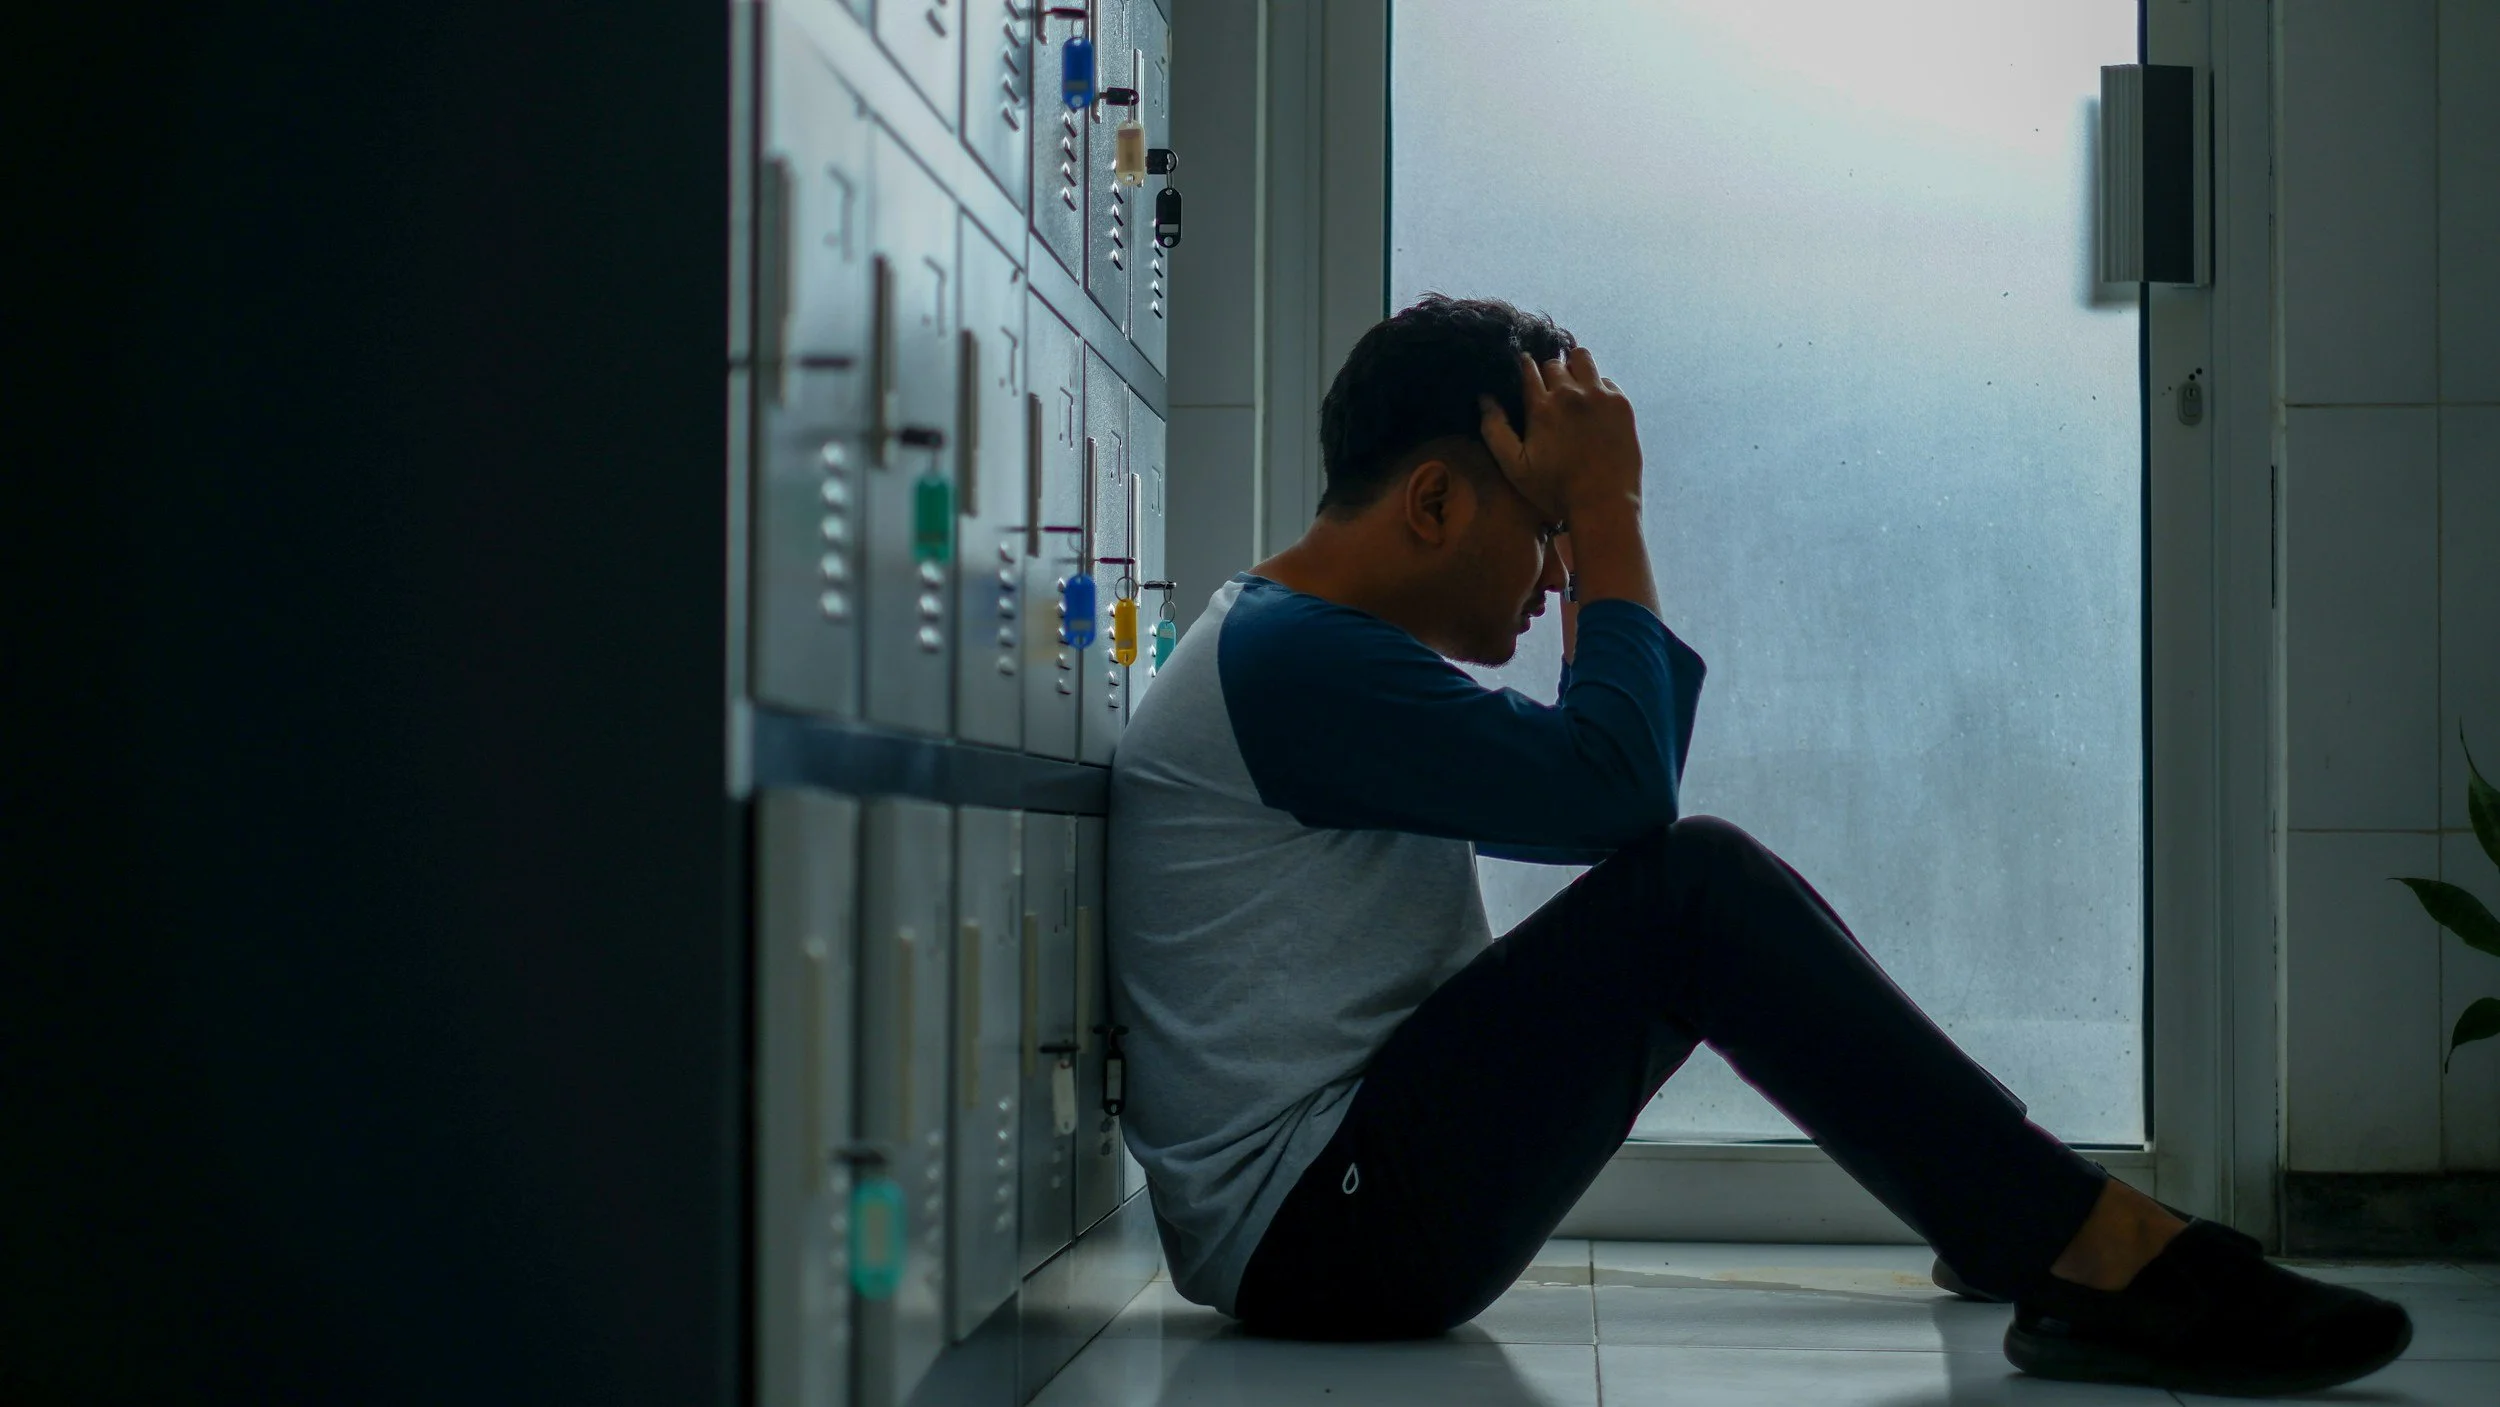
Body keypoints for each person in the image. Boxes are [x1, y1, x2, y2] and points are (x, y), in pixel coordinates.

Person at [1104, 294, 2410, 1395]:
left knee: (1693, 889)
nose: (1559, 572)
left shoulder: (1299, 647)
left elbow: (1607, 778)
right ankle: (2083, 1249)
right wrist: (1613, 504)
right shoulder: (1293, 662)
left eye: (1568, 536)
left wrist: (1588, 521)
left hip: (1329, 1214)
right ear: (1436, 499)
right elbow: (1623, 796)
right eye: (1545, 526)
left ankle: (2007, 1216)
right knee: (1691, 895)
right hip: (1322, 1235)